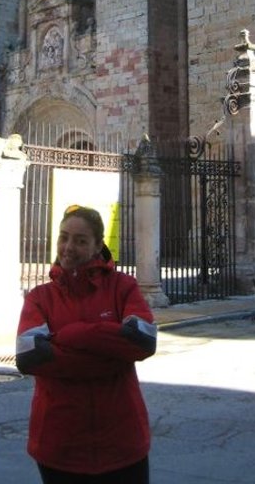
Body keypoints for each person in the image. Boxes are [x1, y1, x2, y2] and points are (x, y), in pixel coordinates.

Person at [16, 204, 157, 483]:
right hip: (59, 444)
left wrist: (70, 336)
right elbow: (29, 358)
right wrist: (111, 351)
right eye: (63, 237)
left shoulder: (123, 287)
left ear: (97, 247)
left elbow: (143, 341)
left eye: (80, 241)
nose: (68, 247)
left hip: (122, 442)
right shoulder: (39, 297)